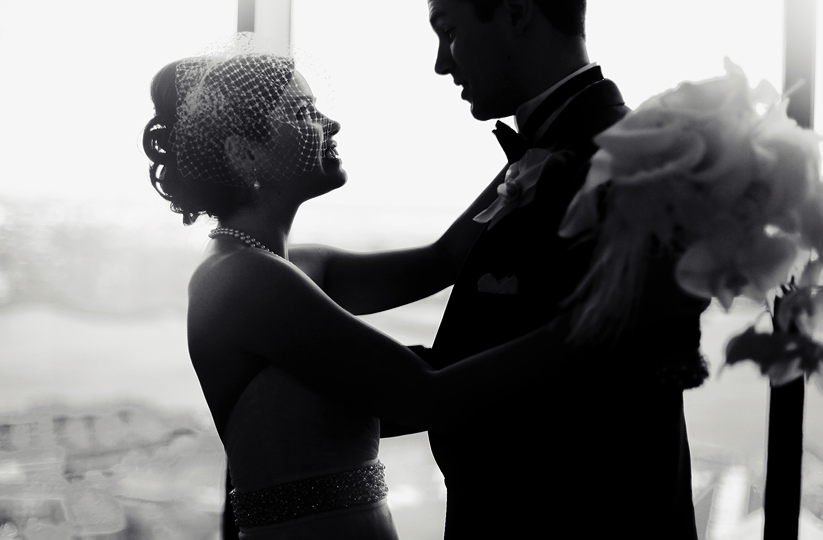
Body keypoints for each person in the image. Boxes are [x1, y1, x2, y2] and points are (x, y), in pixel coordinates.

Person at [141, 40, 570, 540]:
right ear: (244, 153)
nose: (331, 124)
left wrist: (533, 152)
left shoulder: (292, 265)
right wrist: (588, 324)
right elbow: (422, 397)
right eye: (303, 113)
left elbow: (444, 260)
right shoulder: (243, 279)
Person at [402, 0, 711, 538]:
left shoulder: (623, 172)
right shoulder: (560, 151)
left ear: (515, 11)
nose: (441, 63)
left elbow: (582, 399)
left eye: (449, 31)